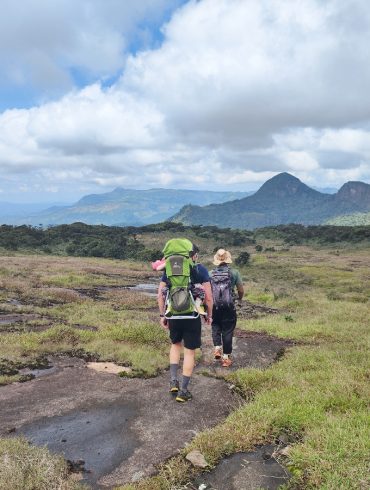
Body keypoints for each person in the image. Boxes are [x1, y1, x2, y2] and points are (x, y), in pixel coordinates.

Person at [158, 244, 213, 402]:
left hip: (174, 315)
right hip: (192, 316)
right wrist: (209, 315)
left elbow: (160, 295)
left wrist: (163, 315)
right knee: (189, 351)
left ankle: (173, 381)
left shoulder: (169, 268)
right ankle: (183, 391)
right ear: (194, 255)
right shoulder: (200, 270)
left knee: (175, 345)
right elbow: (208, 297)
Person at [211, 249, 244, 367]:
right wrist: (240, 299)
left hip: (215, 306)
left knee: (215, 325)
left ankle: (217, 347)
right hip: (229, 306)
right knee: (228, 330)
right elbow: (241, 290)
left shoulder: (211, 273)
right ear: (228, 260)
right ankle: (225, 358)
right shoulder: (234, 273)